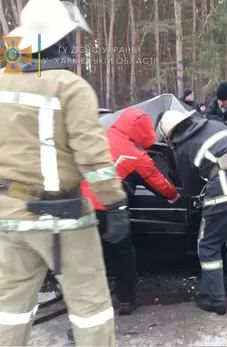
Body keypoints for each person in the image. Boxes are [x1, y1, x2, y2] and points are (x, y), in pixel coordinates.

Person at [0, 0, 129, 345]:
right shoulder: (69, 86)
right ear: (59, 41)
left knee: (9, 310)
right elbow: (93, 156)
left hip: (9, 218)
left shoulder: (2, 82)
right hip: (63, 218)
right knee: (91, 309)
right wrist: (114, 204)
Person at [65, 108, 180, 344]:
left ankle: (81, 323)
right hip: (109, 211)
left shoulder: (97, 135)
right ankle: (126, 300)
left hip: (77, 208)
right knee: (123, 253)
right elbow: (159, 183)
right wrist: (174, 196)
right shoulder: (135, 155)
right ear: (140, 130)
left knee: (86, 264)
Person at [157, 110, 227, 315]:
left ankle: (215, 299)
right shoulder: (215, 125)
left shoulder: (185, 148)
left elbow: (191, 189)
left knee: (208, 245)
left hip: (225, 190)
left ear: (171, 135)